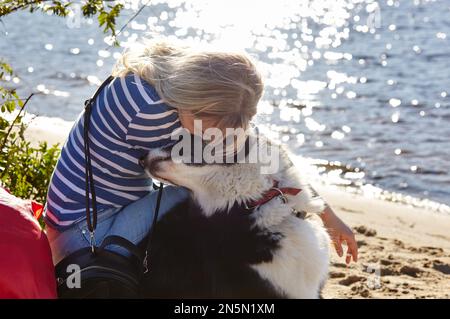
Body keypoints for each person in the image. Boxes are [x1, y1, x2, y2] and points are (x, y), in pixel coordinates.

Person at [44, 39, 357, 266]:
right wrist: (321, 213)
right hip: (84, 236)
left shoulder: (166, 76)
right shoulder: (151, 111)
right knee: (211, 195)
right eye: (212, 126)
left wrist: (326, 214)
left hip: (73, 217)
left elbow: (256, 151)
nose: (213, 135)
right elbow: (251, 167)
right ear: (200, 101)